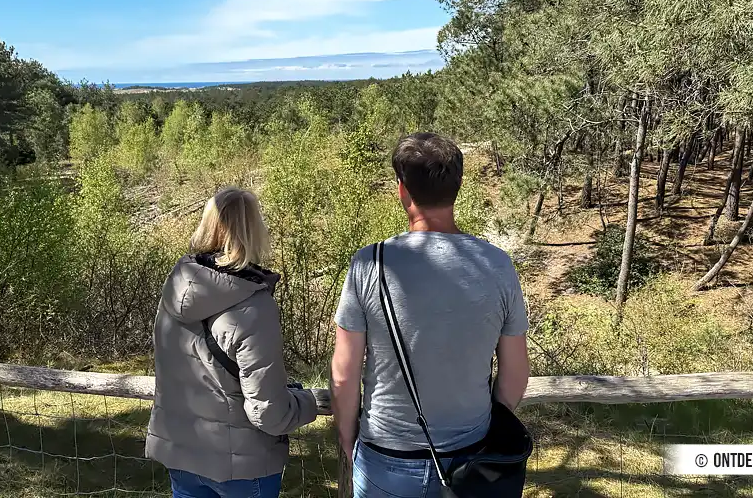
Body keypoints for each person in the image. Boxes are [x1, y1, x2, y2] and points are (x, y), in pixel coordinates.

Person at [330, 132, 531, 498]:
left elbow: (345, 374)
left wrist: (347, 437)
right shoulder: (497, 265)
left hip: (386, 457)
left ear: (402, 190)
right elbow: (515, 374)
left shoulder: (369, 264)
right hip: (473, 462)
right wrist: (484, 425)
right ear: (458, 187)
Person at [146, 187, 319, 498]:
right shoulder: (254, 305)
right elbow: (268, 412)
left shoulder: (174, 287)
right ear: (254, 232)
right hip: (241, 466)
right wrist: (310, 402)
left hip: (181, 454)